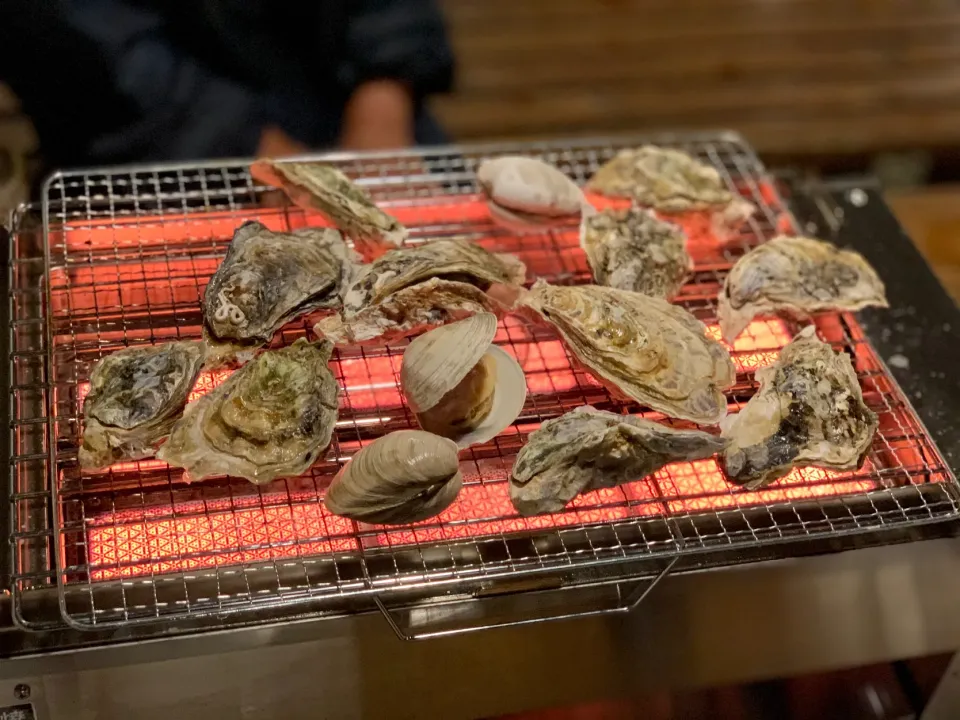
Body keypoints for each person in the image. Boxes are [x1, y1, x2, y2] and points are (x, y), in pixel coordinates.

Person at [0, 0, 454, 171]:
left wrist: (383, 103)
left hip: (347, 91)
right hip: (157, 146)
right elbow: (84, 46)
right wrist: (246, 146)